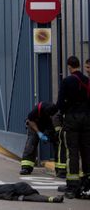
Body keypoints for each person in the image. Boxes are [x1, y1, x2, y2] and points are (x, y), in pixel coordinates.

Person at [56, 56, 90, 199]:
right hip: (87, 119)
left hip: (72, 119)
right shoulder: (87, 81)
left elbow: (60, 104)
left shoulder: (67, 81)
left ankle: (72, 185)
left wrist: (62, 112)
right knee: (87, 150)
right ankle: (86, 182)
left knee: (72, 152)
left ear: (69, 66)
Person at [19, 101, 66, 178]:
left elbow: (55, 124)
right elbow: (30, 120)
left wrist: (50, 135)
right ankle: (26, 167)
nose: (50, 116)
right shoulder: (36, 110)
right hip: (35, 125)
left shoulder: (55, 111)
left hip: (49, 127)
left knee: (58, 143)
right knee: (31, 142)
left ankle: (60, 170)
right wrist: (38, 133)